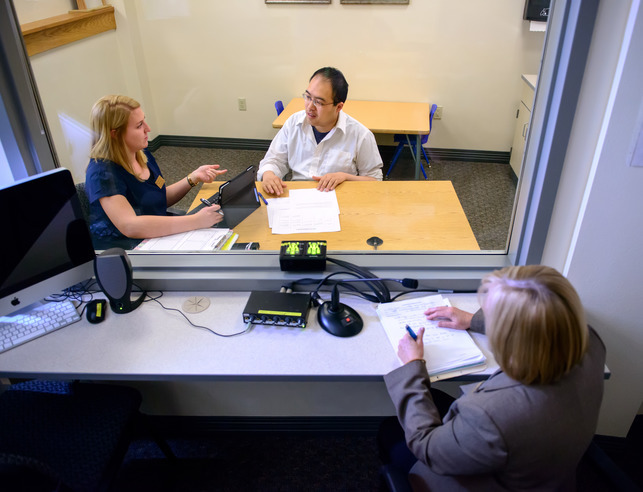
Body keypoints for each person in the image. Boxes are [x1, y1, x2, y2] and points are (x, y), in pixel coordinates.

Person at [381, 265, 606, 491]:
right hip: (548, 470)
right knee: (435, 399)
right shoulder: (590, 343)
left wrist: (411, 367)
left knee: (390, 432)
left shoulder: (491, 415)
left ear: (506, 337)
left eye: (488, 314)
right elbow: (546, 326)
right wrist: (473, 320)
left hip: (489, 479)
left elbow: (427, 448)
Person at [85, 95, 227, 249]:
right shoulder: (102, 173)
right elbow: (130, 226)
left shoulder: (141, 153)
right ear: (115, 134)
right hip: (127, 249)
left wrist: (192, 178)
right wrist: (195, 221)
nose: (148, 129)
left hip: (156, 234)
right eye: (139, 125)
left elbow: (157, 198)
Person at [257, 67, 383, 195]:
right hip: (298, 198)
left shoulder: (361, 135)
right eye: (308, 97)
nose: (310, 107)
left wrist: (345, 177)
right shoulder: (294, 123)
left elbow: (374, 180)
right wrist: (268, 175)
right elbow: (273, 160)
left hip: (339, 199)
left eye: (318, 102)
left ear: (338, 107)